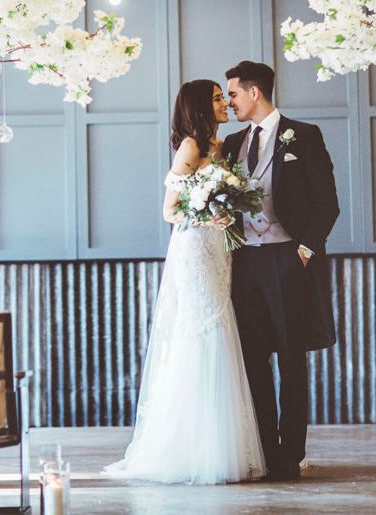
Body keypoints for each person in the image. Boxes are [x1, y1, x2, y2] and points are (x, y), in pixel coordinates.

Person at [104, 79, 266, 485]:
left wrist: (225, 214)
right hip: (194, 250)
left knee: (222, 328)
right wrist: (207, 216)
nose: (225, 104)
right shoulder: (190, 147)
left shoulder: (219, 147)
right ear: (199, 106)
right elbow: (169, 210)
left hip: (219, 250)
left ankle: (227, 445)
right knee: (203, 329)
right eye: (217, 99)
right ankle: (193, 449)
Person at [223, 60, 339, 481]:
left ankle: (290, 456)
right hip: (245, 263)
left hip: (288, 260)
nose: (230, 101)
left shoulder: (303, 136)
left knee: (292, 359)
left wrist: (305, 250)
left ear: (255, 92)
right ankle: (265, 453)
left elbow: (327, 202)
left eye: (233, 93)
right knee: (252, 359)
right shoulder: (232, 142)